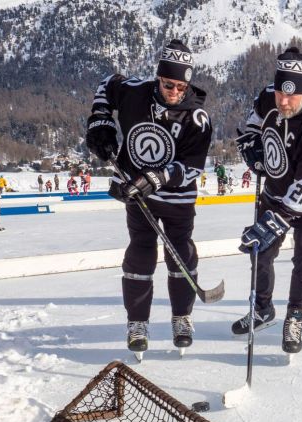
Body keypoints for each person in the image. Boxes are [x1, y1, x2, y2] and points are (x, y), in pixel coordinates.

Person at [85, 38, 212, 357]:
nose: (175, 92)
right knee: (141, 252)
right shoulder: (133, 90)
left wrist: (155, 178)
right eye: (169, 84)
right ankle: (137, 322)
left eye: (181, 87)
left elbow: (193, 167)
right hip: (137, 194)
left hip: (176, 198)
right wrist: (101, 121)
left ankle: (182, 316)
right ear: (159, 79)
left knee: (180, 252)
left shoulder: (197, 118)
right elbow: (105, 84)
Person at [232, 47, 302, 354]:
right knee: (260, 250)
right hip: (277, 187)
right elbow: (253, 120)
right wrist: (252, 143)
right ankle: (262, 308)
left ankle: (295, 316)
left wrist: (274, 222)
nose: (284, 102)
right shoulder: (269, 97)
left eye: (292, 97)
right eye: (280, 93)